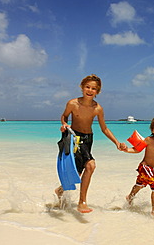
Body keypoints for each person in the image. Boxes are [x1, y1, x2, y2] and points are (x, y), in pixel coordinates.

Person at [55, 74, 125, 213]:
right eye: (87, 87)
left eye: (94, 88)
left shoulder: (97, 108)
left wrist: (116, 142)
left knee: (81, 171)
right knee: (89, 166)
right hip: (74, 138)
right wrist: (64, 124)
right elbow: (64, 115)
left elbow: (104, 128)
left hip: (88, 139)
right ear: (82, 87)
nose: (90, 90)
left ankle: (61, 190)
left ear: (97, 91)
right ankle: (82, 202)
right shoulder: (72, 103)